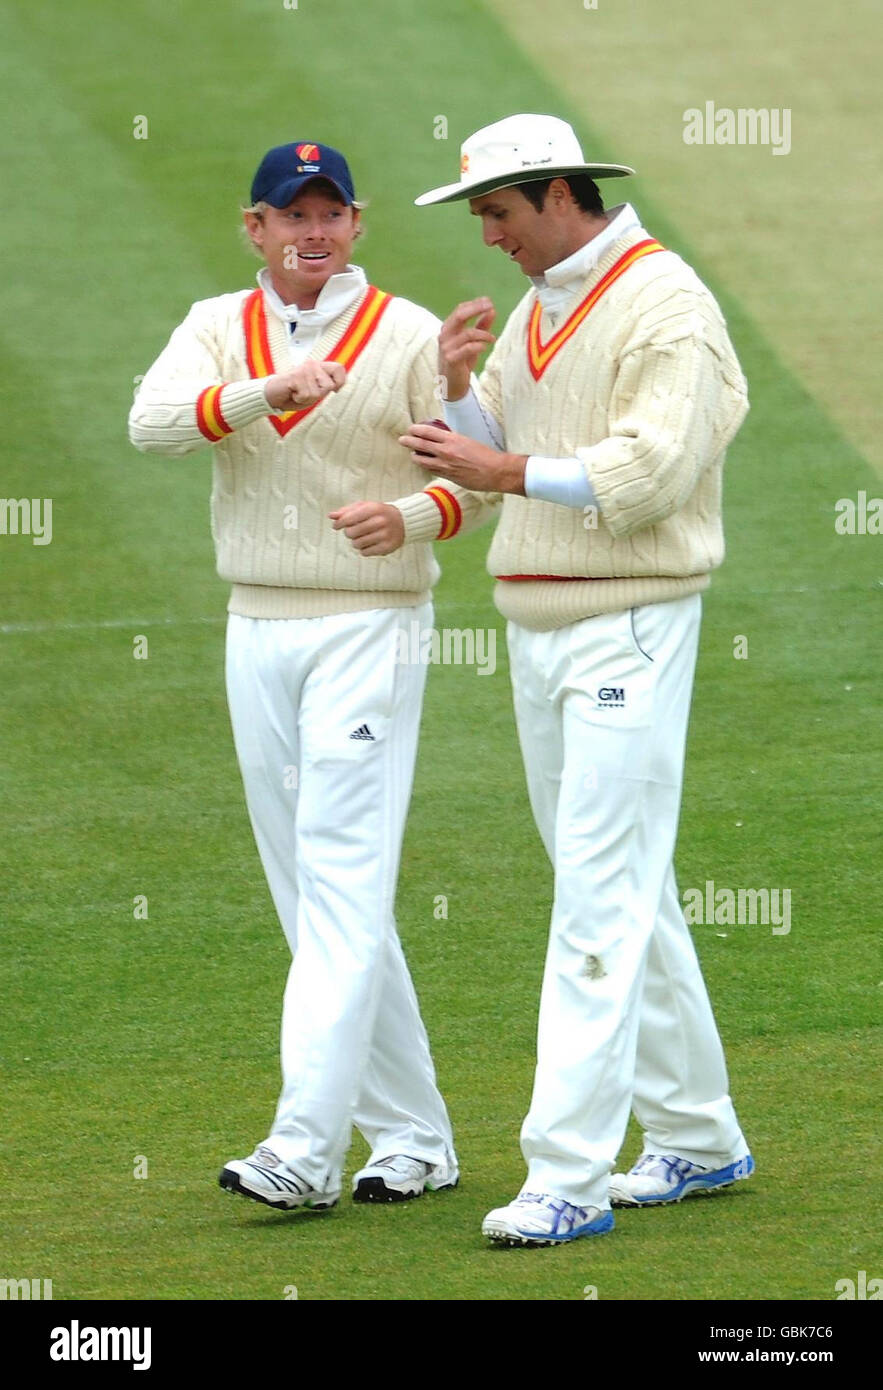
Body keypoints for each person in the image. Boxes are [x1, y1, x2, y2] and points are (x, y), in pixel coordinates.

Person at [333, 114, 753, 1246]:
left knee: (596, 901)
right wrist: (468, 395)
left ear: (559, 194)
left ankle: (565, 1173)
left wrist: (500, 460)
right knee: (615, 883)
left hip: (628, 624)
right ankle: (700, 1135)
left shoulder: (668, 305)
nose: (488, 237)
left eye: (498, 213)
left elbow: (651, 473)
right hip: (540, 624)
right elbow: (502, 461)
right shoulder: (538, 306)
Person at [128, 140, 459, 1213]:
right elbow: (152, 425)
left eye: (331, 213)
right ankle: (413, 1137)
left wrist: (405, 515)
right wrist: (268, 388)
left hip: (373, 621)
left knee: (342, 878)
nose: (312, 231)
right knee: (315, 890)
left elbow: (480, 474)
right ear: (255, 228)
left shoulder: (406, 335)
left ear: (356, 224)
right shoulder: (216, 323)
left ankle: (305, 1150)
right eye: (291, 214)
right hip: (255, 619)